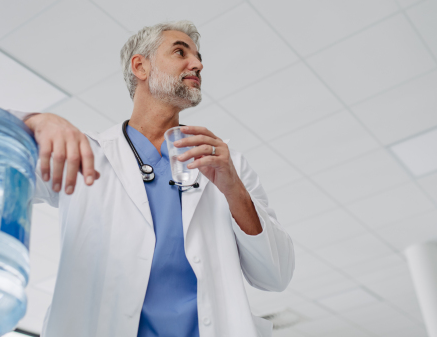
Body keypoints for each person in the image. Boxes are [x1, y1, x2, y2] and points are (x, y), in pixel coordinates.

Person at [21, 20, 295, 337]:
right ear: (140, 66)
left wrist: (233, 188)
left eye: (198, 56)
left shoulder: (224, 163)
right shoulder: (87, 154)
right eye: (180, 52)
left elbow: (277, 275)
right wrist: (34, 120)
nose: (198, 64)